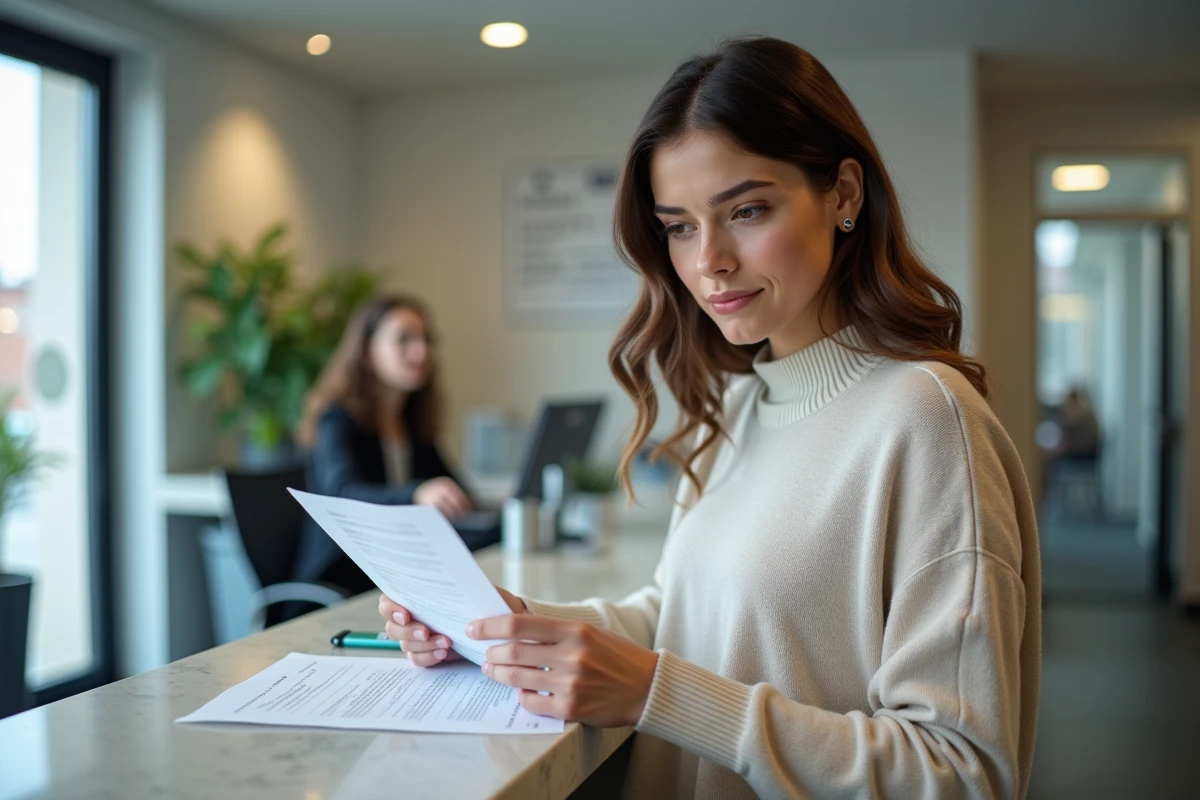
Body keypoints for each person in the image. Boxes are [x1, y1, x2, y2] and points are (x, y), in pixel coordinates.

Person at [379, 37, 1041, 799]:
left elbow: (961, 773)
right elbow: (683, 615)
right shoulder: (741, 403)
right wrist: (511, 623)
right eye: (680, 226)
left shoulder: (927, 421)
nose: (708, 261)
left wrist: (659, 693)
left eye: (747, 210)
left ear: (845, 195)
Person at [292, 295, 473, 595]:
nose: (421, 351)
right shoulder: (336, 419)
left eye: (426, 339)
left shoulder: (411, 422)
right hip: (344, 581)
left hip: (399, 575)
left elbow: (451, 487)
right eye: (404, 339)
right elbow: (342, 492)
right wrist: (416, 493)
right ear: (366, 352)